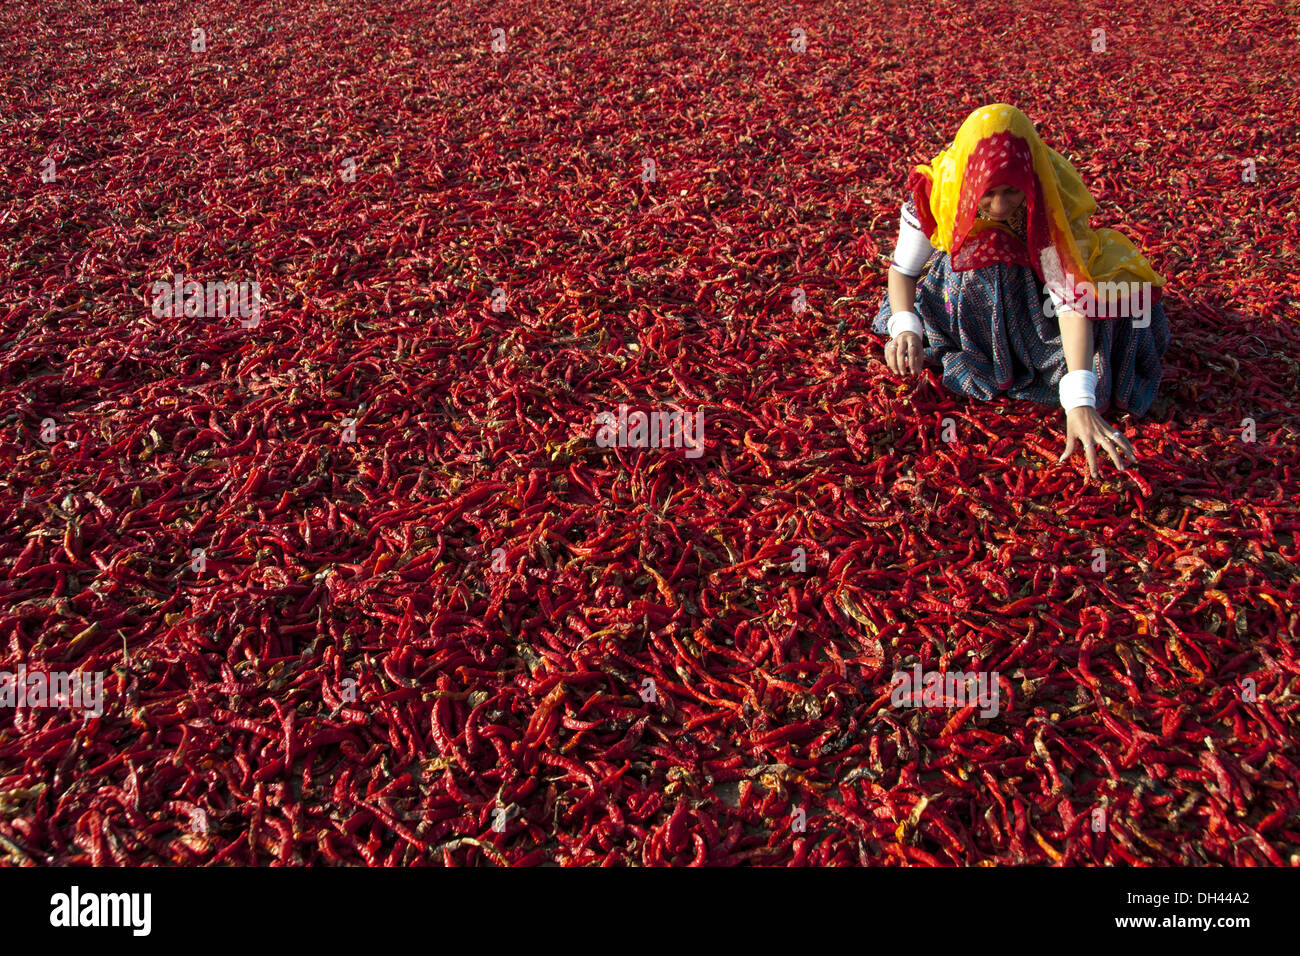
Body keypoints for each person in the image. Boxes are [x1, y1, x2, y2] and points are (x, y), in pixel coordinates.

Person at [873, 104, 1171, 478]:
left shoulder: (1048, 194)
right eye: (988, 192)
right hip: (966, 298)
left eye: (1012, 191)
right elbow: (904, 272)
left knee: (1105, 350)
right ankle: (987, 342)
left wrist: (1079, 399)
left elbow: (1068, 297)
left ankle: (1016, 348)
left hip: (1036, 300)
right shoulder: (940, 191)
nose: (999, 206)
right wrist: (905, 327)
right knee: (980, 262)